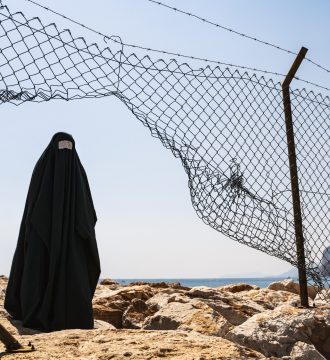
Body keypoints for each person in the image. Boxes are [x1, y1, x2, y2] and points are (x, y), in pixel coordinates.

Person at [4, 132, 101, 331]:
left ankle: (73, 317)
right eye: (61, 146)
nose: (65, 151)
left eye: (68, 147)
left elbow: (87, 210)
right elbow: (33, 204)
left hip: (71, 239)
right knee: (38, 270)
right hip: (42, 235)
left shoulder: (77, 174)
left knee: (74, 275)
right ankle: (38, 314)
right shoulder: (42, 169)